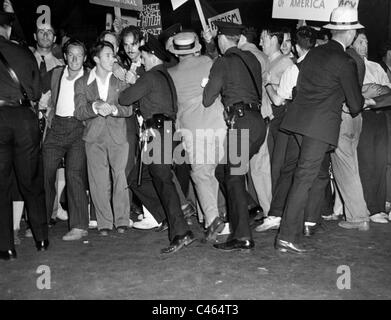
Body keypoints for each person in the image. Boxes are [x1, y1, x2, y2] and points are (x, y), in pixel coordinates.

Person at [275, 5, 368, 254]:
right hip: (318, 127)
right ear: (349, 33)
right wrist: (362, 101)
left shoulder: (313, 54)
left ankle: (302, 225)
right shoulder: (344, 61)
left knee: (303, 175)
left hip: (297, 122)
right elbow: (356, 105)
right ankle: (287, 236)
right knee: (304, 177)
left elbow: (303, 86)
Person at [119, 34, 195, 255]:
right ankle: (168, 218)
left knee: (163, 181)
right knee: (138, 179)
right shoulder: (166, 76)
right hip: (167, 131)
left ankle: (181, 231)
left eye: (143, 56)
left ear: (152, 56)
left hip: (158, 133)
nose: (141, 60)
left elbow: (125, 99)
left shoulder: (150, 76)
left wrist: (130, 78)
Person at [203, 21, 266, 252]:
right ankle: (250, 207)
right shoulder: (252, 59)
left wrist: (208, 83)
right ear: (238, 39)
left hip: (240, 123)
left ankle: (242, 236)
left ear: (221, 39)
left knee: (234, 177)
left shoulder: (222, 63)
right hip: (258, 123)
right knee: (225, 171)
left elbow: (208, 98)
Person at [167, 31, 227, 242]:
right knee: (211, 172)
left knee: (201, 174)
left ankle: (212, 218)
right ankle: (211, 216)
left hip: (193, 129)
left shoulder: (171, 73)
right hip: (218, 123)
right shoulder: (207, 61)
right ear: (195, 47)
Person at [0, 11, 49, 260]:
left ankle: (6, 246)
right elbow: (37, 91)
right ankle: (41, 237)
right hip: (22, 117)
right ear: (8, 29)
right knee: (30, 179)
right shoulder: (22, 52)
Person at [74, 41, 132, 236]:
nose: (113, 59)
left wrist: (114, 109)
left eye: (113, 55)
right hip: (93, 136)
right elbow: (80, 112)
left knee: (120, 176)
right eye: (108, 55)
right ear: (96, 58)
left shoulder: (120, 81)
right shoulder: (82, 82)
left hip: (117, 135)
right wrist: (95, 108)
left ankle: (122, 219)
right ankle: (104, 222)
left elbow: (129, 108)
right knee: (98, 181)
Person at [42, 39, 90, 241]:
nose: (75, 59)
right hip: (57, 127)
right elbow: (38, 90)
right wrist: (43, 107)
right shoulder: (56, 73)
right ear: (65, 56)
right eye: (71, 54)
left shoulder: (90, 77)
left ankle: (79, 226)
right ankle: (41, 221)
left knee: (74, 174)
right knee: (44, 172)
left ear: (85, 58)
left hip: (79, 128)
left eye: (79, 55)